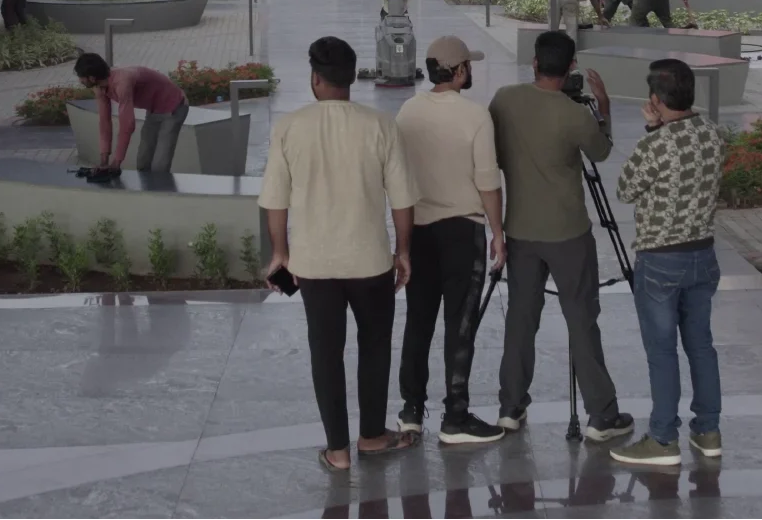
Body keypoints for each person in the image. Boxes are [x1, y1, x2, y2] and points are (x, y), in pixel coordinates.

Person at [260, 36, 420, 471]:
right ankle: (372, 436)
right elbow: (402, 200)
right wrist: (403, 251)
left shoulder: (290, 128)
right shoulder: (381, 125)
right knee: (375, 347)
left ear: (315, 78)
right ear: (351, 78)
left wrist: (280, 254)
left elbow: (275, 201)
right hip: (371, 261)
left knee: (325, 353)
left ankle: (337, 450)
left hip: (313, 266)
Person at [489, 30, 634, 443]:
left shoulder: (504, 100)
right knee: (581, 320)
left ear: (534, 63)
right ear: (571, 67)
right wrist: (603, 109)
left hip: (520, 230)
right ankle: (601, 415)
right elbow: (601, 151)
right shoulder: (575, 116)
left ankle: (510, 407)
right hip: (569, 233)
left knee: (521, 318)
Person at [610, 59, 724, 467]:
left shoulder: (655, 145)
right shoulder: (714, 133)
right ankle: (708, 431)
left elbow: (625, 189)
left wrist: (652, 131)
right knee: (701, 346)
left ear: (655, 101)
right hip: (703, 255)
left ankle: (662, 439)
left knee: (662, 351)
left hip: (660, 260)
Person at [394, 36, 506, 445]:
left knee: (418, 322)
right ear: (458, 71)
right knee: (460, 327)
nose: (470, 71)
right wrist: (498, 234)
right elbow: (488, 181)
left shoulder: (408, 111)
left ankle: (411, 411)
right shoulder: (475, 116)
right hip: (462, 231)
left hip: (419, 231)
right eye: (468, 66)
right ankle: (455, 416)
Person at [74, 54, 189, 177]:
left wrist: (117, 162)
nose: (80, 81)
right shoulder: (100, 88)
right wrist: (104, 162)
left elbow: (127, 125)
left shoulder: (122, 82)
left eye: (81, 77)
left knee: (159, 166)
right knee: (143, 163)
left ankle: (162, 188)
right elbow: (104, 122)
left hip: (175, 107)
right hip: (154, 110)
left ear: (92, 78)